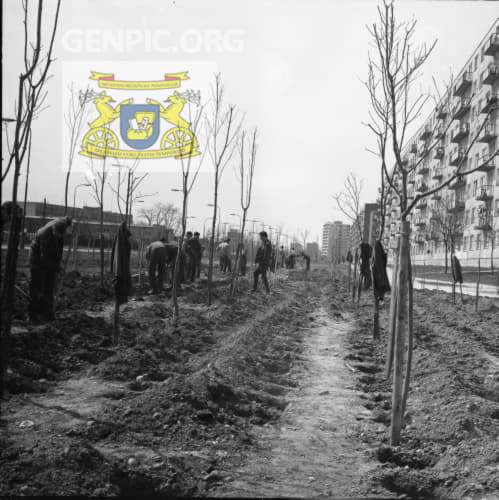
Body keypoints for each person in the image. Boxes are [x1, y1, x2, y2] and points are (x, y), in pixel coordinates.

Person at [29, 216, 72, 322]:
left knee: (50, 286)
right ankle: (33, 315)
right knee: (38, 287)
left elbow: (58, 250)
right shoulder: (46, 235)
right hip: (37, 259)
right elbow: (45, 258)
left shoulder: (62, 226)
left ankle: (47, 313)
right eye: (58, 236)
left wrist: (59, 264)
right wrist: (57, 269)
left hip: (49, 258)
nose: (60, 237)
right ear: (54, 231)